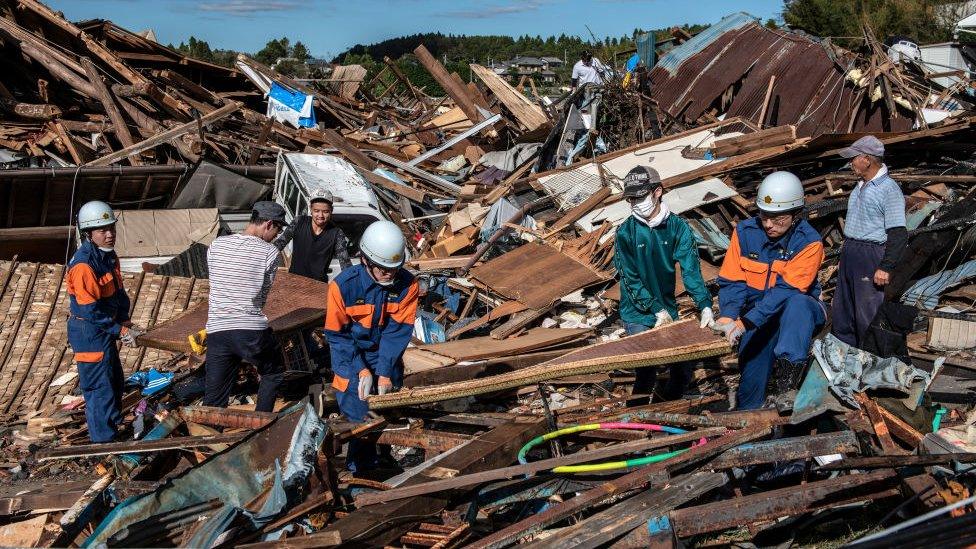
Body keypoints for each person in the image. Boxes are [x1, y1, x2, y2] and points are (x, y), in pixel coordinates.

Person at [713, 172, 826, 410]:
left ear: (795, 215)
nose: (768, 224)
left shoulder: (809, 242)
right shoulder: (745, 233)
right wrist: (729, 314)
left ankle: (788, 381)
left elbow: (786, 291)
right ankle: (748, 426)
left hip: (795, 315)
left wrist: (745, 323)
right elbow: (733, 280)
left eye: (778, 218)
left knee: (797, 303)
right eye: (764, 215)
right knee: (751, 382)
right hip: (758, 316)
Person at [324, 220, 418, 473]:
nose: (390, 274)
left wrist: (385, 371)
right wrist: (360, 370)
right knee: (360, 416)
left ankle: (385, 457)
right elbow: (337, 335)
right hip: (349, 353)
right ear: (365, 260)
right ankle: (361, 471)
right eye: (384, 269)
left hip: (385, 354)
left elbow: (396, 333)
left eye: (395, 269)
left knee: (388, 408)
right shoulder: (343, 287)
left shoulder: (407, 285)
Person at [614, 166, 714, 400]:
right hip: (637, 312)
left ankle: (667, 408)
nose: (635, 203)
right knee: (647, 369)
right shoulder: (625, 233)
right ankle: (637, 415)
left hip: (667, 308)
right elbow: (630, 279)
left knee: (682, 369)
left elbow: (691, 272)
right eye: (631, 199)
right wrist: (654, 309)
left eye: (639, 197)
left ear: (657, 192)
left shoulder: (678, 228)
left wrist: (704, 304)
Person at [66, 201, 143, 443]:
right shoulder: (83, 265)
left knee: (114, 381)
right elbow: (90, 311)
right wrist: (119, 330)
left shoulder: (108, 257)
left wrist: (125, 320)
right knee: (100, 389)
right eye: (102, 230)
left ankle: (113, 428)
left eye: (112, 228)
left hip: (105, 327)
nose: (110, 235)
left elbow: (118, 293)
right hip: (89, 331)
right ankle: (103, 442)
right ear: (89, 233)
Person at [204, 201, 287, 413]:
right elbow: (261, 296)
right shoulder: (270, 253)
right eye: (277, 230)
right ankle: (262, 422)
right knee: (273, 372)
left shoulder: (216, 246)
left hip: (216, 329)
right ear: (268, 224)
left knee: (215, 398)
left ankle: (207, 442)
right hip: (250, 330)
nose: (276, 237)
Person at [831, 135, 907, 348]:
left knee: (867, 312)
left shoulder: (888, 189)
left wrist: (886, 266)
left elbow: (898, 233)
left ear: (867, 159)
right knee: (844, 309)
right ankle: (845, 358)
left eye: (854, 158)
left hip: (871, 253)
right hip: (852, 251)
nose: (850, 163)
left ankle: (871, 360)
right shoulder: (861, 186)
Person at [273, 188, 352, 283]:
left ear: (331, 210)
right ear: (310, 209)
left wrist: (352, 281)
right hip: (293, 281)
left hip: (318, 285)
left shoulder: (336, 233)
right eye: (316, 211)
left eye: (325, 211)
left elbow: (345, 262)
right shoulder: (299, 222)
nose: (320, 215)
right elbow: (279, 244)